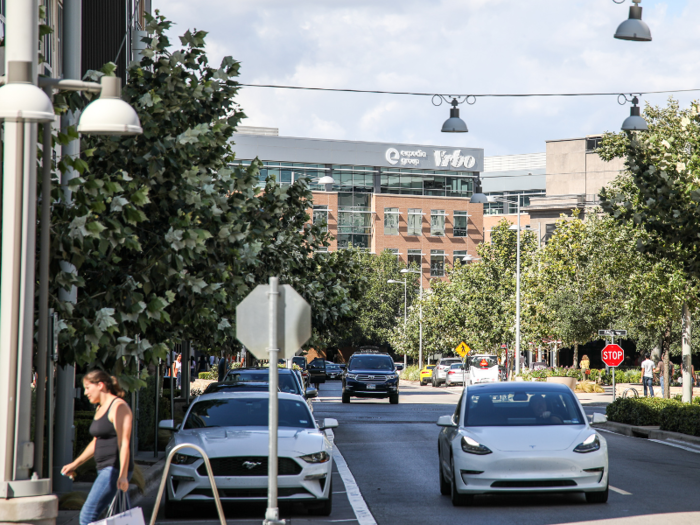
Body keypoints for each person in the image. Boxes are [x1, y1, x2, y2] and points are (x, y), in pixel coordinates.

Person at [62, 370, 133, 525]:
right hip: (104, 468)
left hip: (113, 469)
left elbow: (124, 443)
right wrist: (75, 464)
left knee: (87, 515)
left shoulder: (119, 407)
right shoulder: (100, 408)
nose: (85, 392)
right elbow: (96, 441)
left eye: (88, 387)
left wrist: (122, 475)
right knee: (116, 518)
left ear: (100, 385)